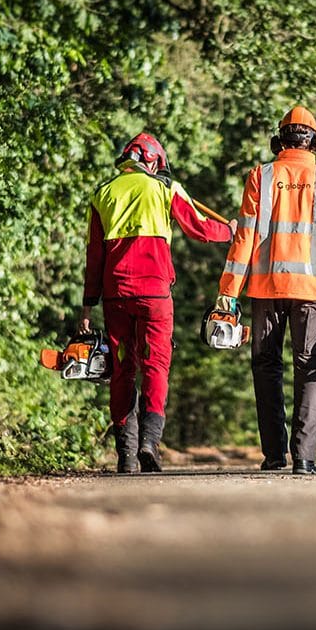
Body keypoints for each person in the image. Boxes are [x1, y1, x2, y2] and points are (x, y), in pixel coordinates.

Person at [216, 106, 316, 475]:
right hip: (313, 291)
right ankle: (305, 458)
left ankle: (274, 455)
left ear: (279, 139)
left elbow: (245, 237)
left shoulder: (261, 177)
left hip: (265, 288)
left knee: (266, 368)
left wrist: (228, 292)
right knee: (309, 367)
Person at [82, 133, 234, 473]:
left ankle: (126, 455)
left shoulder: (102, 194)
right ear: (152, 161)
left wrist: (87, 307)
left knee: (122, 369)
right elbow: (200, 229)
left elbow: (94, 257)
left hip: (115, 294)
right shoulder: (166, 189)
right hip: (154, 294)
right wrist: (231, 232)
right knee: (156, 365)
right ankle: (150, 442)